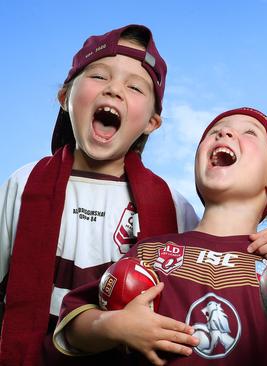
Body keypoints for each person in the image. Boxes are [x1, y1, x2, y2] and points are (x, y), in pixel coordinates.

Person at [0, 24, 201, 365]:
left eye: (135, 86)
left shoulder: (174, 205)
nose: (114, 90)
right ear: (65, 98)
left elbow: (207, 292)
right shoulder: (24, 184)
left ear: (152, 122)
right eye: (99, 76)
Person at [53, 107, 267, 365]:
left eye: (250, 132)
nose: (224, 133)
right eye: (214, 132)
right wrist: (115, 326)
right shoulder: (150, 251)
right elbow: (73, 323)